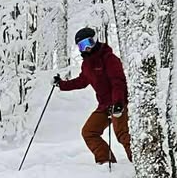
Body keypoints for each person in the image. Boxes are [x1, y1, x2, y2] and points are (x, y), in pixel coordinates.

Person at [54, 26, 131, 166]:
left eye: (89, 43)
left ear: (95, 40)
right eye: (82, 46)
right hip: (104, 106)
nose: (87, 48)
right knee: (89, 132)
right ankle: (106, 162)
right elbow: (82, 81)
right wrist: (61, 84)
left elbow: (118, 82)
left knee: (122, 135)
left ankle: (141, 165)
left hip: (118, 103)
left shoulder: (109, 59)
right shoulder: (87, 65)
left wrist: (118, 103)